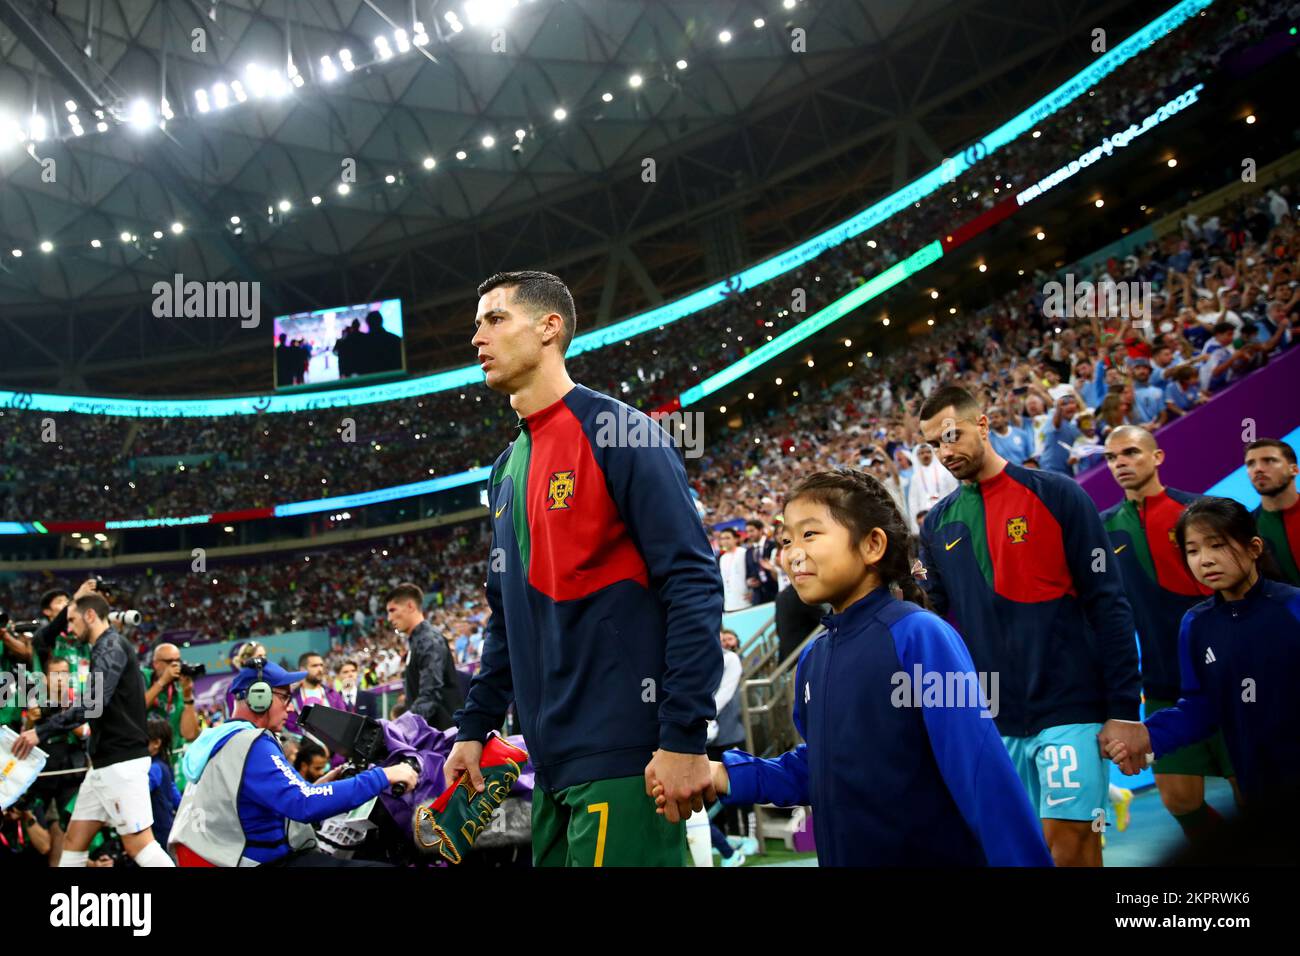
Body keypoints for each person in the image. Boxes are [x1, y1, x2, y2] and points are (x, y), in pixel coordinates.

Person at [451, 270, 723, 867]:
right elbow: (505, 617)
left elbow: (693, 582)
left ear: (550, 328)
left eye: (495, 320)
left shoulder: (621, 433)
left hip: (626, 759)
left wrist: (683, 736)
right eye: (476, 325)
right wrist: (475, 727)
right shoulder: (504, 470)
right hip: (547, 771)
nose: (478, 338)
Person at [673, 469, 1051, 865]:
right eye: (786, 540)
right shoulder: (812, 659)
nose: (792, 552)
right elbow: (820, 769)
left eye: (810, 534)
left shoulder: (920, 636)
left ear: (872, 545)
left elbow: (980, 774)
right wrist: (725, 774)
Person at [916, 386, 1141, 866]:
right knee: (1024, 852)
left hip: (1069, 706)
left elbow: (1109, 603)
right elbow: (928, 620)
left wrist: (1124, 709)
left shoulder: (1058, 493)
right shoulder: (936, 525)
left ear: (984, 424)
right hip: (995, 718)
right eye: (934, 444)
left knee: (1070, 848)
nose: (945, 452)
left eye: (952, 436)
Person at [1103, 498, 1300, 804]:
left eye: (1217, 545)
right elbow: (1202, 706)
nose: (1204, 560)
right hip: (1259, 791)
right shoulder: (1195, 624)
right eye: (1192, 550)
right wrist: (1147, 736)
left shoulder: (1292, 607)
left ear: (1254, 548)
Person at [1098, 426, 1236, 841]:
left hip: (1230, 679)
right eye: (1111, 457)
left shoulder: (1201, 510)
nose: (1120, 463)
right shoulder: (1101, 529)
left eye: (1131, 453)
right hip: (1162, 685)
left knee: (1255, 794)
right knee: (1180, 801)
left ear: (1157, 457)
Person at [168, 658, 416, 867]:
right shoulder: (250, 742)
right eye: (285, 698)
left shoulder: (220, 738)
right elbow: (304, 803)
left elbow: (259, 801)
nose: (290, 707)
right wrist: (384, 776)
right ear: (259, 698)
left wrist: (318, 786)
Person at [9, 585, 174, 868]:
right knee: (73, 844)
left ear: (89, 616)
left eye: (71, 620)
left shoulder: (110, 647)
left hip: (121, 765)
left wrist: (41, 731)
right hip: (101, 766)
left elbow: (91, 705)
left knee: (140, 847)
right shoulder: (105, 647)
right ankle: (69, 909)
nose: (68, 629)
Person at [26, 657, 88, 866]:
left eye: (64, 673)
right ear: (45, 679)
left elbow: (84, 733)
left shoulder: (78, 701)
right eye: (55, 674)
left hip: (70, 774)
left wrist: (65, 711)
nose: (60, 679)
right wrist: (30, 720)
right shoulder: (36, 700)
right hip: (41, 777)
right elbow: (25, 736)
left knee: (68, 830)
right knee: (45, 833)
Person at [387, 585, 464, 729]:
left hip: (443, 737)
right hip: (433, 735)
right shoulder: (417, 642)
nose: (389, 618)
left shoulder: (428, 640)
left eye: (392, 610)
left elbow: (430, 693)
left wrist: (404, 727)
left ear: (410, 606)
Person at [707, 629, 748, 867]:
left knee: (737, 789)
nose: (723, 640)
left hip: (730, 735)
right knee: (712, 796)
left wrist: (700, 715)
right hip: (710, 739)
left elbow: (722, 697)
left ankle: (744, 837)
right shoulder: (702, 658)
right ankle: (725, 843)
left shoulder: (730, 660)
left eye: (728, 637)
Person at [1246, 438, 1300, 585]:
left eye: (1269, 460)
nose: (1258, 469)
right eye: (1251, 464)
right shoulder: (1246, 530)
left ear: (1294, 469)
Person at [285, 652, 347, 737]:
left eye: (321, 665)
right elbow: (292, 727)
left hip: (333, 747)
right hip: (308, 748)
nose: (320, 669)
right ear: (303, 670)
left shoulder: (333, 695)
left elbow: (344, 722)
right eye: (314, 666)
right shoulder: (293, 698)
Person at [905, 442, 959, 533]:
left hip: (946, 514)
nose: (925, 455)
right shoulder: (915, 477)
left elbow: (955, 491)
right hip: (925, 518)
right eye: (921, 453)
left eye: (927, 452)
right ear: (917, 456)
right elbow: (913, 501)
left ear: (933, 453)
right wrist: (915, 527)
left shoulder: (945, 471)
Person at [146, 718, 182, 850]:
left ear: (156, 743)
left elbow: (140, 792)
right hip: (168, 827)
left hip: (158, 831)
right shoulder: (165, 765)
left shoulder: (154, 768)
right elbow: (177, 799)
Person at [717, 528, 756, 612]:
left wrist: (753, 591)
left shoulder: (744, 552)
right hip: (729, 604)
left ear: (736, 539)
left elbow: (752, 573)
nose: (725, 541)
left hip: (745, 600)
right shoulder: (722, 558)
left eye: (728, 538)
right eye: (722, 538)